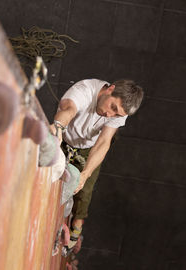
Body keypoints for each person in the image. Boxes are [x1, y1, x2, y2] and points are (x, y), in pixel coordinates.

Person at [50, 78, 144, 252]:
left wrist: (85, 175)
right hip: (63, 138)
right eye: (113, 107)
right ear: (110, 89)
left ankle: (77, 226)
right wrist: (58, 127)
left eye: (117, 115)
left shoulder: (117, 114)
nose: (110, 115)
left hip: (87, 148)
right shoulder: (84, 90)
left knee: (85, 190)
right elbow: (68, 109)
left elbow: (104, 142)